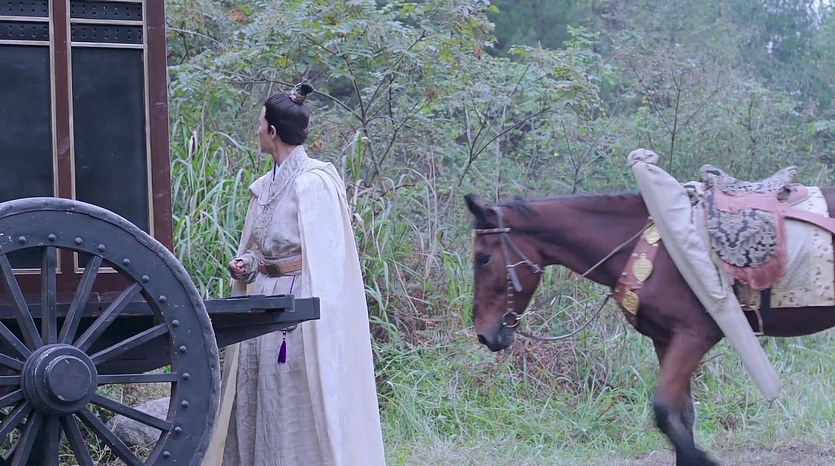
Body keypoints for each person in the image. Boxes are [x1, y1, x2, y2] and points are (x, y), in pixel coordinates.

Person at [203, 83, 387, 466]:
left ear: (272, 132)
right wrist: (247, 264)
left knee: (289, 397)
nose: (257, 130)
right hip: (261, 301)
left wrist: (317, 319)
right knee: (257, 394)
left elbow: (327, 261)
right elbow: (261, 248)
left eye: (260, 124)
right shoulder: (265, 186)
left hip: (297, 308)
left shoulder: (313, 183)